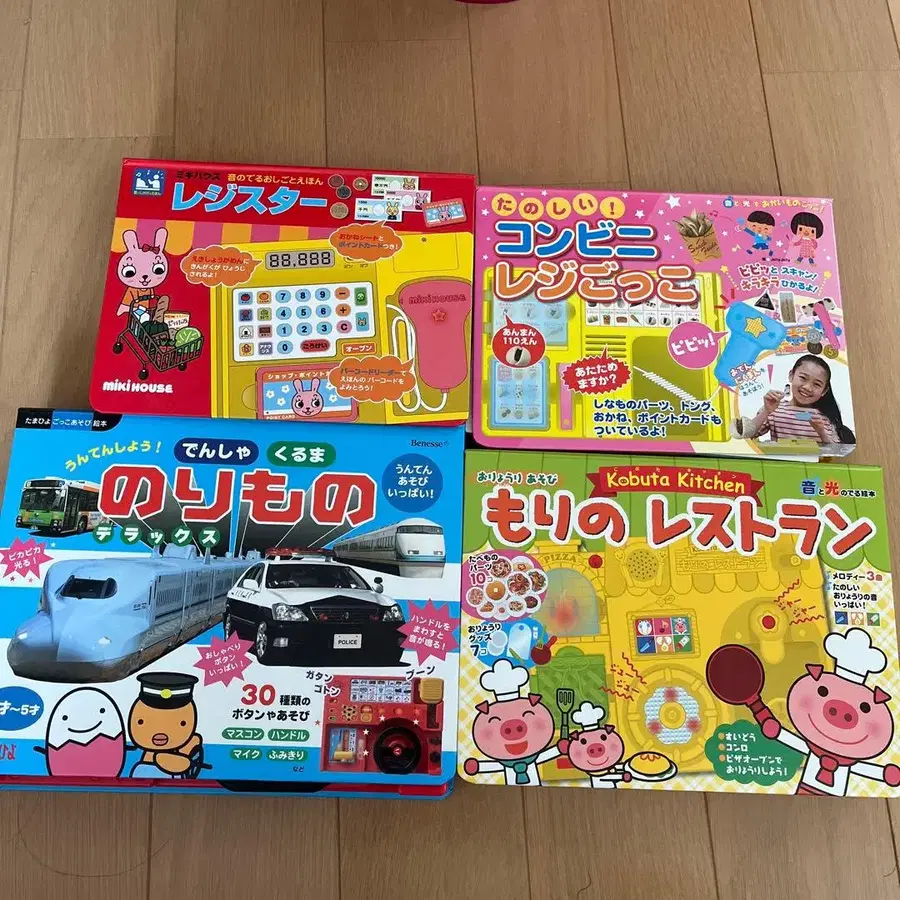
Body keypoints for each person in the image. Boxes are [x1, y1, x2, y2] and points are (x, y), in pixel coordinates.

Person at [736, 354, 854, 445]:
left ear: (824, 391)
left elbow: (836, 452)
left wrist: (821, 432)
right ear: (791, 375)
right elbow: (746, 437)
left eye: (817, 384)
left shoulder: (827, 416)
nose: (807, 387)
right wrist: (766, 411)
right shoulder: (774, 409)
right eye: (803, 378)